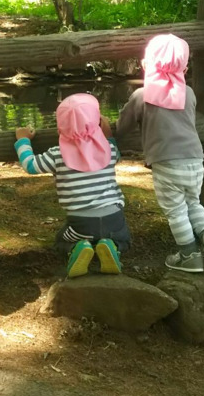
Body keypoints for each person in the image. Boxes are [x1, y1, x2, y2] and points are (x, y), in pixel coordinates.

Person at [116, 34, 204, 274]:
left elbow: (122, 127)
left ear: (145, 64)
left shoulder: (142, 96)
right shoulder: (189, 93)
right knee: (193, 203)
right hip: (195, 160)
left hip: (167, 163)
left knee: (175, 211)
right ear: (185, 67)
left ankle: (189, 254)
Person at [14, 93, 131, 278]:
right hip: (113, 219)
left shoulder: (56, 154)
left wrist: (23, 139)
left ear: (60, 126)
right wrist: (107, 132)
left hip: (80, 224)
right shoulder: (109, 149)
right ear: (97, 122)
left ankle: (77, 247)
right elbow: (113, 150)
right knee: (124, 238)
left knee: (61, 241)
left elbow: (30, 165)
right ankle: (113, 246)